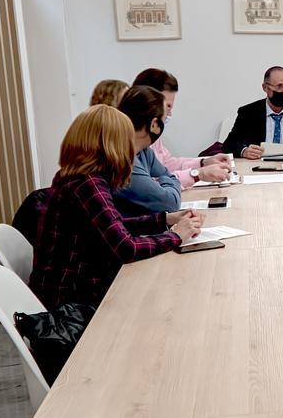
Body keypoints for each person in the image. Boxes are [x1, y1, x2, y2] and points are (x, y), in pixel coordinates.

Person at [29, 105, 203, 309]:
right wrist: (176, 236)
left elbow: (112, 226)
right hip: (73, 305)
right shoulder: (88, 184)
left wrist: (165, 219)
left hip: (67, 291)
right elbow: (126, 248)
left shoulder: (75, 176)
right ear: (113, 145)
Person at [132, 69, 233, 188]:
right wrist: (196, 175)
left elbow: (167, 165)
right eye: (167, 107)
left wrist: (203, 163)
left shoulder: (152, 135)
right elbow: (151, 186)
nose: (169, 114)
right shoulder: (134, 142)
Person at [114, 86, 182, 214]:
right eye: (165, 116)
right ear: (154, 125)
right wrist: (161, 182)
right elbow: (170, 203)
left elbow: (170, 176)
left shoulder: (144, 151)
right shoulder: (124, 162)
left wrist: (158, 182)